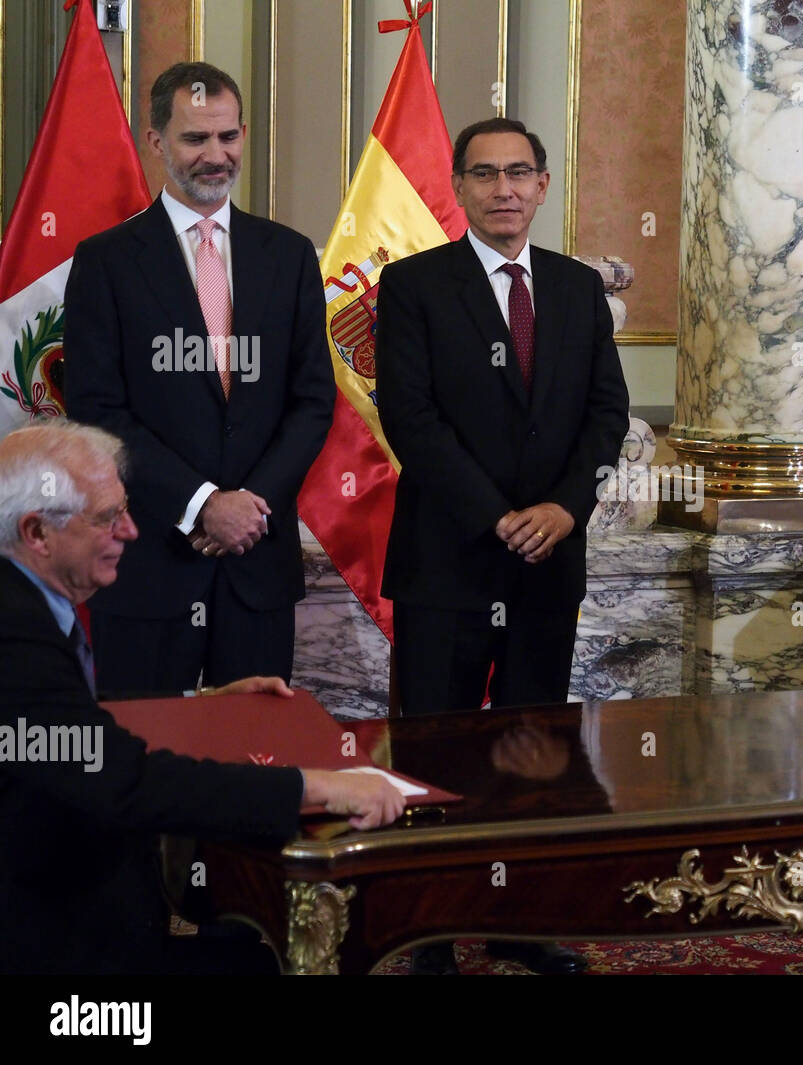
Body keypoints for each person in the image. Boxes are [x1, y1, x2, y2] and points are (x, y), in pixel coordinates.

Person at [0, 421, 405, 975]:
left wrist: (203, 704)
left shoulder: (22, 603)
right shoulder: (13, 632)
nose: (132, 531)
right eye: (107, 517)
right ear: (37, 533)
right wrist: (315, 787)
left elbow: (71, 715)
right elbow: (126, 782)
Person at [375, 117, 628, 975]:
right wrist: (498, 516)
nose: (504, 188)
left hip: (547, 565)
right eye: (484, 174)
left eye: (519, 172)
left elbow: (607, 415)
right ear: (460, 188)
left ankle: (520, 923)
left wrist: (561, 510)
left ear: (544, 184)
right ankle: (431, 933)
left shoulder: (575, 288)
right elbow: (410, 417)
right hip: (448, 562)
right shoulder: (412, 285)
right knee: (437, 754)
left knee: (534, 755)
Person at [63, 62, 334, 692]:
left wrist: (249, 508)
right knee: (149, 762)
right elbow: (98, 410)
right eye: (195, 139)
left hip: (256, 562)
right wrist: (202, 505)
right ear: (156, 142)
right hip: (150, 562)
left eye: (228, 137)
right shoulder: (105, 262)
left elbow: (313, 401)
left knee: (255, 763)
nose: (216, 155)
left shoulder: (289, 255)